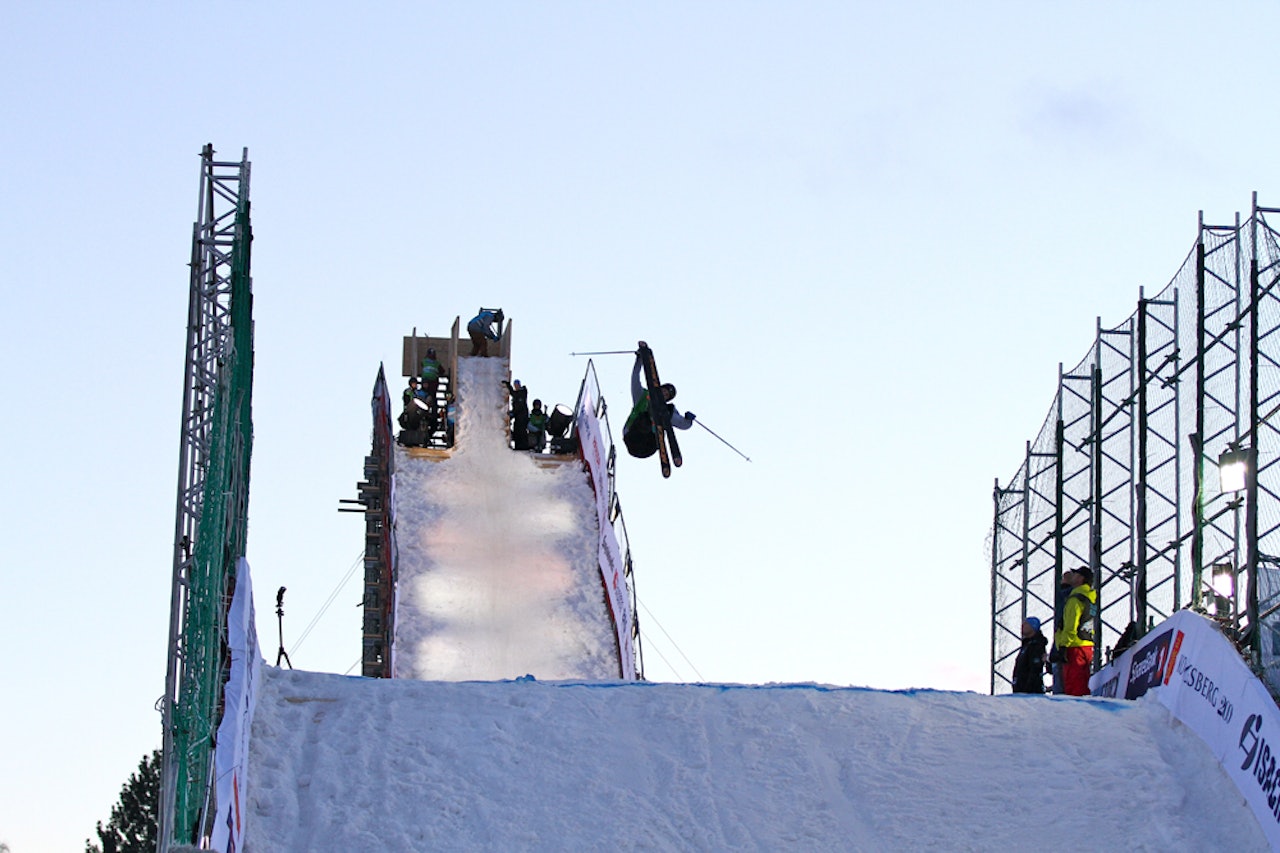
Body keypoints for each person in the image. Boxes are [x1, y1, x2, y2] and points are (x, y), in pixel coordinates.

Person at [622, 347, 694, 458]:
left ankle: (655, 428)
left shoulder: (667, 410)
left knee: (663, 413)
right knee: (645, 418)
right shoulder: (642, 395)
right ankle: (650, 418)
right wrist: (640, 360)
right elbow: (635, 378)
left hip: (648, 446)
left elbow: (681, 424)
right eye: (663, 391)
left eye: (666, 396)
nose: (664, 395)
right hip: (632, 435)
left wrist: (688, 420)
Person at [1054, 566, 1097, 697]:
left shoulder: (1075, 599)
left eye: (1075, 574)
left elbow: (1070, 625)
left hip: (1074, 646)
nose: (1072, 576)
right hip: (1087, 643)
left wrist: (1063, 646)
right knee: (1082, 682)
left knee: (1074, 686)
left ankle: (1077, 715)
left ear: (1080, 578)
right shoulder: (1090, 597)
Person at [1011, 617, 1048, 694]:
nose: (1023, 626)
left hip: (1030, 692)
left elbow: (1035, 669)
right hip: (1021, 690)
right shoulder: (1026, 644)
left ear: (1033, 627)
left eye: (1026, 624)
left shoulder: (1036, 645)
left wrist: (1028, 688)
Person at [504, 379, 530, 450]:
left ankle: (522, 446)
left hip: (522, 416)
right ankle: (518, 445)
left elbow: (518, 404)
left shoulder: (522, 393)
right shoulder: (519, 394)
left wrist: (509, 386)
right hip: (519, 416)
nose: (516, 387)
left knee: (521, 431)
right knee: (517, 430)